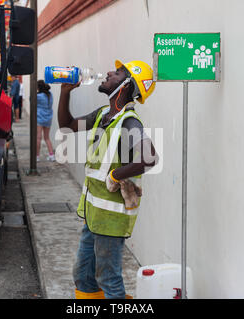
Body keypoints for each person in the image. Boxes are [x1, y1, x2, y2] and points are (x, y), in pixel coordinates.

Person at [58, 60, 159, 299]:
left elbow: (150, 157)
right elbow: (67, 126)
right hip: (94, 216)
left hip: (111, 220)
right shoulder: (104, 115)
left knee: (108, 278)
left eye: (119, 72)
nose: (110, 72)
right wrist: (64, 94)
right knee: (83, 274)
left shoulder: (128, 122)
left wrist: (116, 174)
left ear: (125, 85)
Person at [37, 80, 55, 162]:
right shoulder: (50, 94)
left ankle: (36, 156)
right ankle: (51, 155)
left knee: (38, 138)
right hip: (48, 118)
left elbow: (31, 100)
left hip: (40, 118)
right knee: (47, 137)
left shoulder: (38, 96)